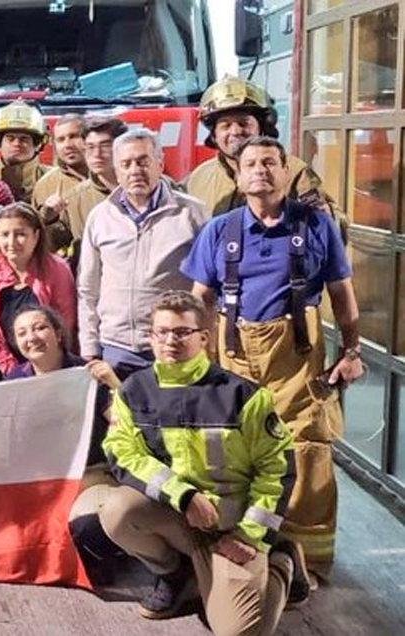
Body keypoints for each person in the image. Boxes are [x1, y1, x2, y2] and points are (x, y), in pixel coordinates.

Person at [182, 135, 362, 581]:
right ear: (239, 177)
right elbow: (199, 299)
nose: (260, 170)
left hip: (297, 359)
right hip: (232, 354)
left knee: (307, 448)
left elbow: (342, 295)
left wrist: (352, 351)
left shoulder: (316, 226)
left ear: (286, 172)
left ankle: (307, 559)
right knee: (234, 450)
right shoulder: (218, 231)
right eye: (251, 164)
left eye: (270, 162)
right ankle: (244, 548)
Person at [100, 291, 307, 631]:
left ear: (204, 338)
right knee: (116, 511)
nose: (171, 341)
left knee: (238, 630)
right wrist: (182, 495)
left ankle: (282, 563)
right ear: (151, 337)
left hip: (236, 527)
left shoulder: (243, 396)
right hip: (181, 516)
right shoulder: (132, 392)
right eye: (162, 332)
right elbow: (122, 451)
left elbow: (278, 469)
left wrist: (250, 535)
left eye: (182, 332)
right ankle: (174, 574)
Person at [4, 306, 124, 584]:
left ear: (58, 333)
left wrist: (115, 385)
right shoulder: (15, 380)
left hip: (89, 475)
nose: (31, 337)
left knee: (83, 529)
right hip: (42, 480)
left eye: (39, 328)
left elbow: (125, 424)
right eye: (22, 333)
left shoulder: (89, 374)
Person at [78, 128, 208, 380]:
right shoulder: (100, 217)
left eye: (142, 161)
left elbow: (207, 286)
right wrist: (89, 346)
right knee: (121, 418)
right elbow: (87, 289)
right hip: (115, 348)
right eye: (125, 164)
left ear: (159, 163)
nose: (134, 170)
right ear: (116, 170)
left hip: (171, 345)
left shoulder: (191, 213)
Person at [185, 76, 344, 234]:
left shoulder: (294, 172)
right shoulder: (198, 179)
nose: (235, 132)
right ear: (214, 135)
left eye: (244, 123)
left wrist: (325, 219)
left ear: (261, 128)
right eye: (225, 126)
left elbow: (335, 231)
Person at [0, 203, 76, 374]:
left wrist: (44, 364)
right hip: (5, 364)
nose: (11, 242)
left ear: (35, 236)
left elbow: (64, 321)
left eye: (20, 234)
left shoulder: (57, 268)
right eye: (5, 235)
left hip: (49, 362)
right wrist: (10, 367)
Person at [63, 117, 128, 268]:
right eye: (90, 147)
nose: (97, 154)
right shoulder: (73, 199)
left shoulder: (150, 189)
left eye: (105, 146)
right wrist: (48, 219)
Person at [32, 114, 88, 254]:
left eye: (74, 136)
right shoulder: (44, 186)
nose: (68, 145)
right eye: (61, 140)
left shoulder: (110, 176)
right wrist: (48, 219)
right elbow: (37, 242)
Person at [0, 100, 51, 205]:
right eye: (10, 138)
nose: (17, 143)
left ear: (37, 145)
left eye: (24, 139)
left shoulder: (53, 179)